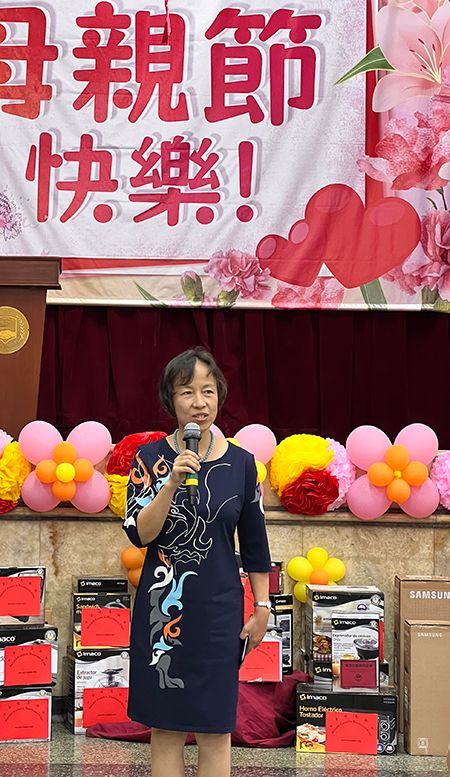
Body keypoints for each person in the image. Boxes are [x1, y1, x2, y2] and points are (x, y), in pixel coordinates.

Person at [123, 348, 272, 777]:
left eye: (208, 391)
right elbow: (139, 533)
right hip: (161, 610)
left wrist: (263, 607)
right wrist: (170, 483)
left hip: (218, 613)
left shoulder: (242, 465)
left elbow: (256, 545)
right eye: (187, 392)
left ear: (220, 396)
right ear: (170, 400)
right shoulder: (149, 459)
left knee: (215, 729)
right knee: (166, 728)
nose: (199, 403)